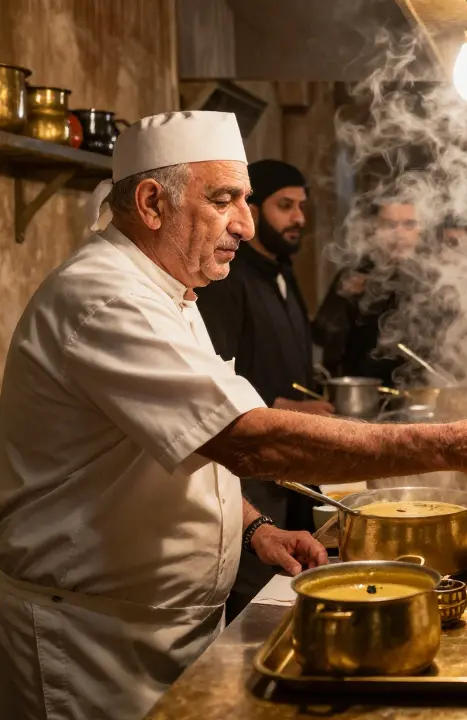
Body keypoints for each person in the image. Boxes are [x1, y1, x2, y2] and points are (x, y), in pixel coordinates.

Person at [0, 111, 467, 720]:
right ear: (152, 203)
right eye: (225, 199)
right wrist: (453, 446)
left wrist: (253, 528)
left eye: (248, 199)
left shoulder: (170, 291)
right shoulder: (103, 298)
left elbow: (189, 445)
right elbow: (247, 442)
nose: (246, 223)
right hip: (85, 648)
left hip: (159, 633)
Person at [196, 159, 336, 622]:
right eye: (284, 206)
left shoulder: (281, 270)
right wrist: (284, 404)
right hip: (248, 470)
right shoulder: (227, 278)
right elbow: (216, 379)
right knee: (254, 602)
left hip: (283, 462)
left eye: (302, 207)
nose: (298, 217)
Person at [313, 201, 422, 385]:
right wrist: (344, 299)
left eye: (409, 224)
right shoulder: (356, 273)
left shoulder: (432, 278)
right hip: (363, 394)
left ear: (421, 230)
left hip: (423, 393)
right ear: (374, 229)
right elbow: (322, 336)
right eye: (389, 225)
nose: (399, 234)